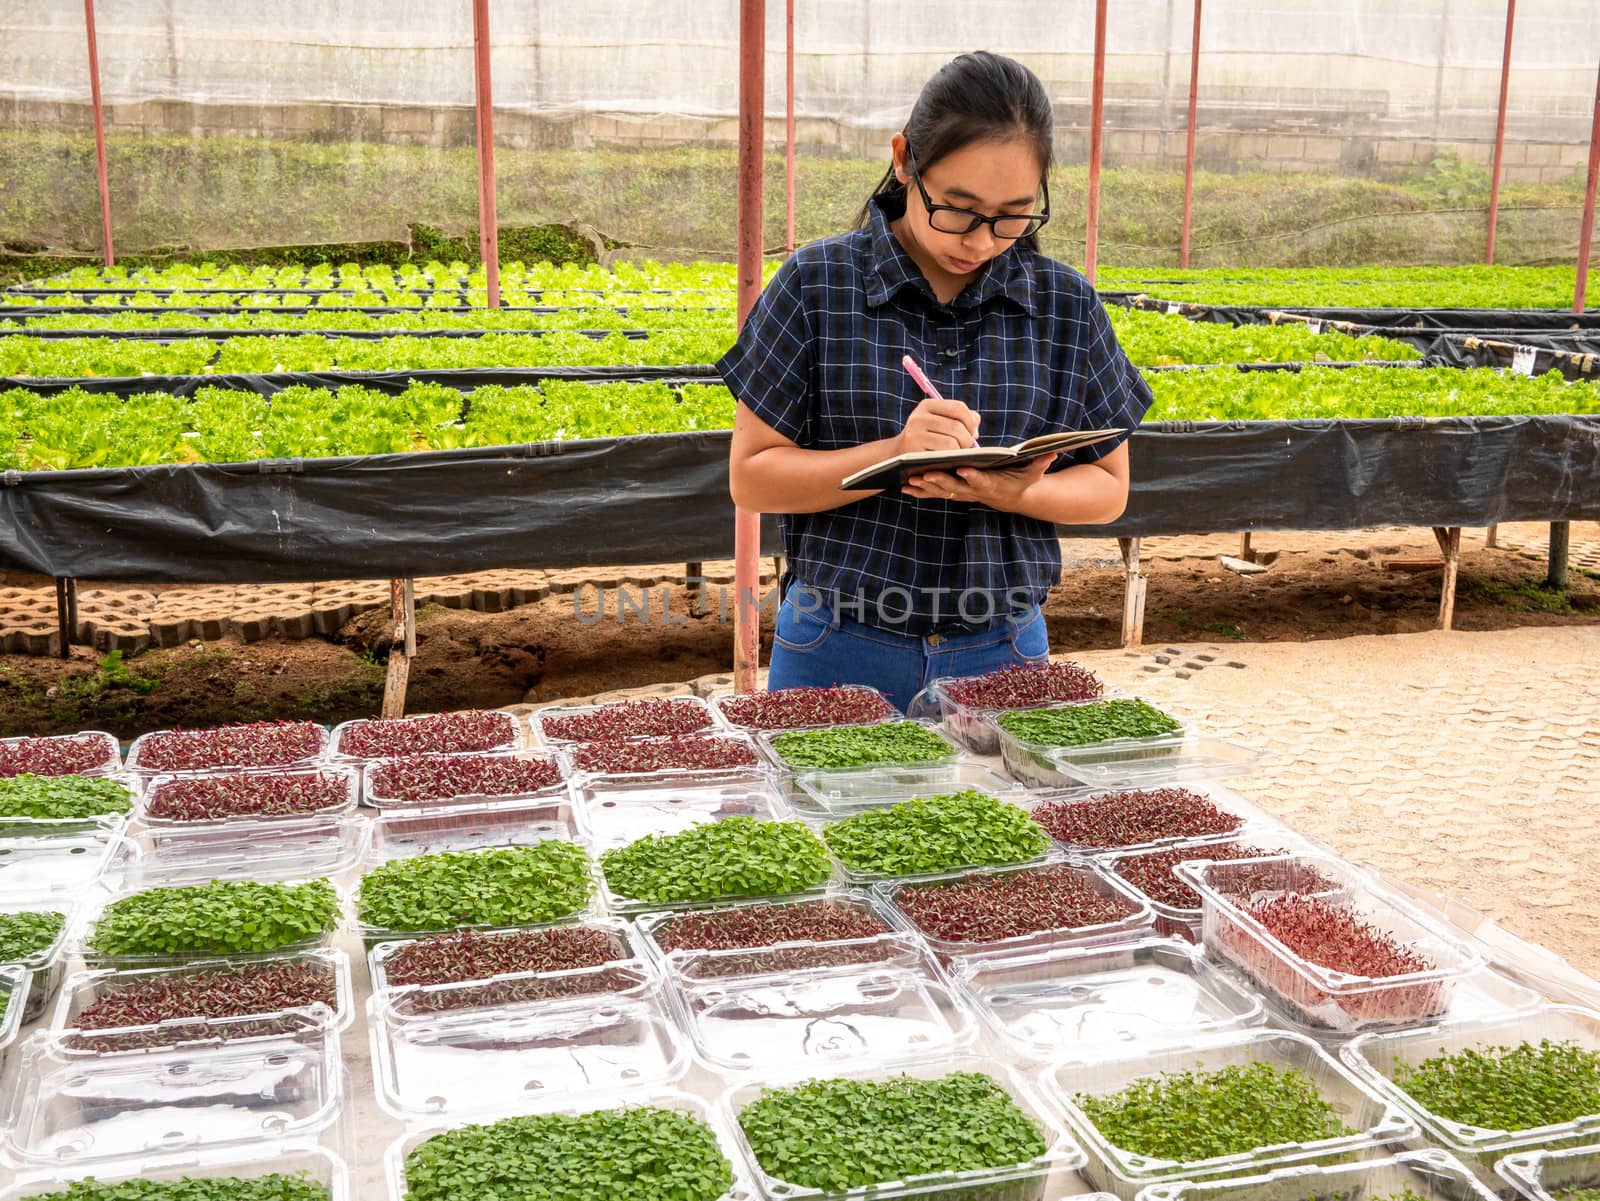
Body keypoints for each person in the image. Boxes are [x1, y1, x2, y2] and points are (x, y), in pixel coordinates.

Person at [718, 50, 1152, 713]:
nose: (981, 239)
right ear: (904, 160)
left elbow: (1109, 488)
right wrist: (893, 454)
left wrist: (1011, 492)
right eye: (957, 208)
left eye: (1012, 215)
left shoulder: (1065, 305)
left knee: (999, 819)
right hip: (838, 642)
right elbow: (752, 475)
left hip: (1004, 651)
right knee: (824, 817)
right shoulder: (818, 285)